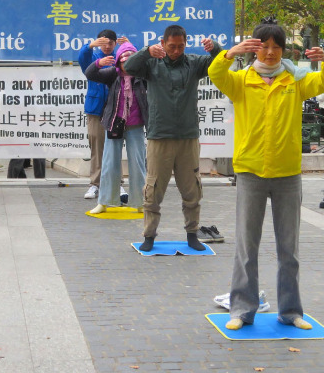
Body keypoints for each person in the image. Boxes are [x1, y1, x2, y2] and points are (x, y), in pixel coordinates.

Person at [209, 18, 324, 331]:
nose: (269, 53)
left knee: (288, 248)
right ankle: (242, 310)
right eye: (263, 46)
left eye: (275, 47)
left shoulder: (294, 81)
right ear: (254, 48)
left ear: (283, 50)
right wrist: (230, 53)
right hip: (251, 171)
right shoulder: (240, 81)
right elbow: (215, 73)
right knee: (246, 246)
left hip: (287, 173)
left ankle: (291, 311)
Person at [122, 25, 221, 252]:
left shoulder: (195, 63)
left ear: (186, 44)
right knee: (154, 189)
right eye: (172, 46)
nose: (176, 50)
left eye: (180, 46)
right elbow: (128, 67)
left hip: (188, 136)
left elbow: (223, 61)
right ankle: (149, 236)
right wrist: (147, 51)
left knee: (192, 190)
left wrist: (214, 47)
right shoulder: (152, 63)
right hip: (160, 136)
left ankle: (192, 234)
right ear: (163, 43)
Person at [84, 40, 147, 214]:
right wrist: (98, 63)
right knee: (109, 163)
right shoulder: (113, 74)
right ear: (118, 61)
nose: (127, 65)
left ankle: (140, 202)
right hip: (114, 123)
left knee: (138, 164)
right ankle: (104, 202)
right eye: (123, 61)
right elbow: (90, 74)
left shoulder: (143, 77)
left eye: (131, 61)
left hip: (135, 125)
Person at [77, 29, 121, 200]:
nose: (108, 46)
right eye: (103, 43)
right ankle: (95, 184)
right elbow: (82, 60)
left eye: (111, 43)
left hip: (116, 108)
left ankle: (117, 184)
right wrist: (89, 47)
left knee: (115, 147)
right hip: (95, 108)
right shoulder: (93, 57)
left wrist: (129, 47)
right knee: (96, 147)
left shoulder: (119, 57)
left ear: (115, 43)